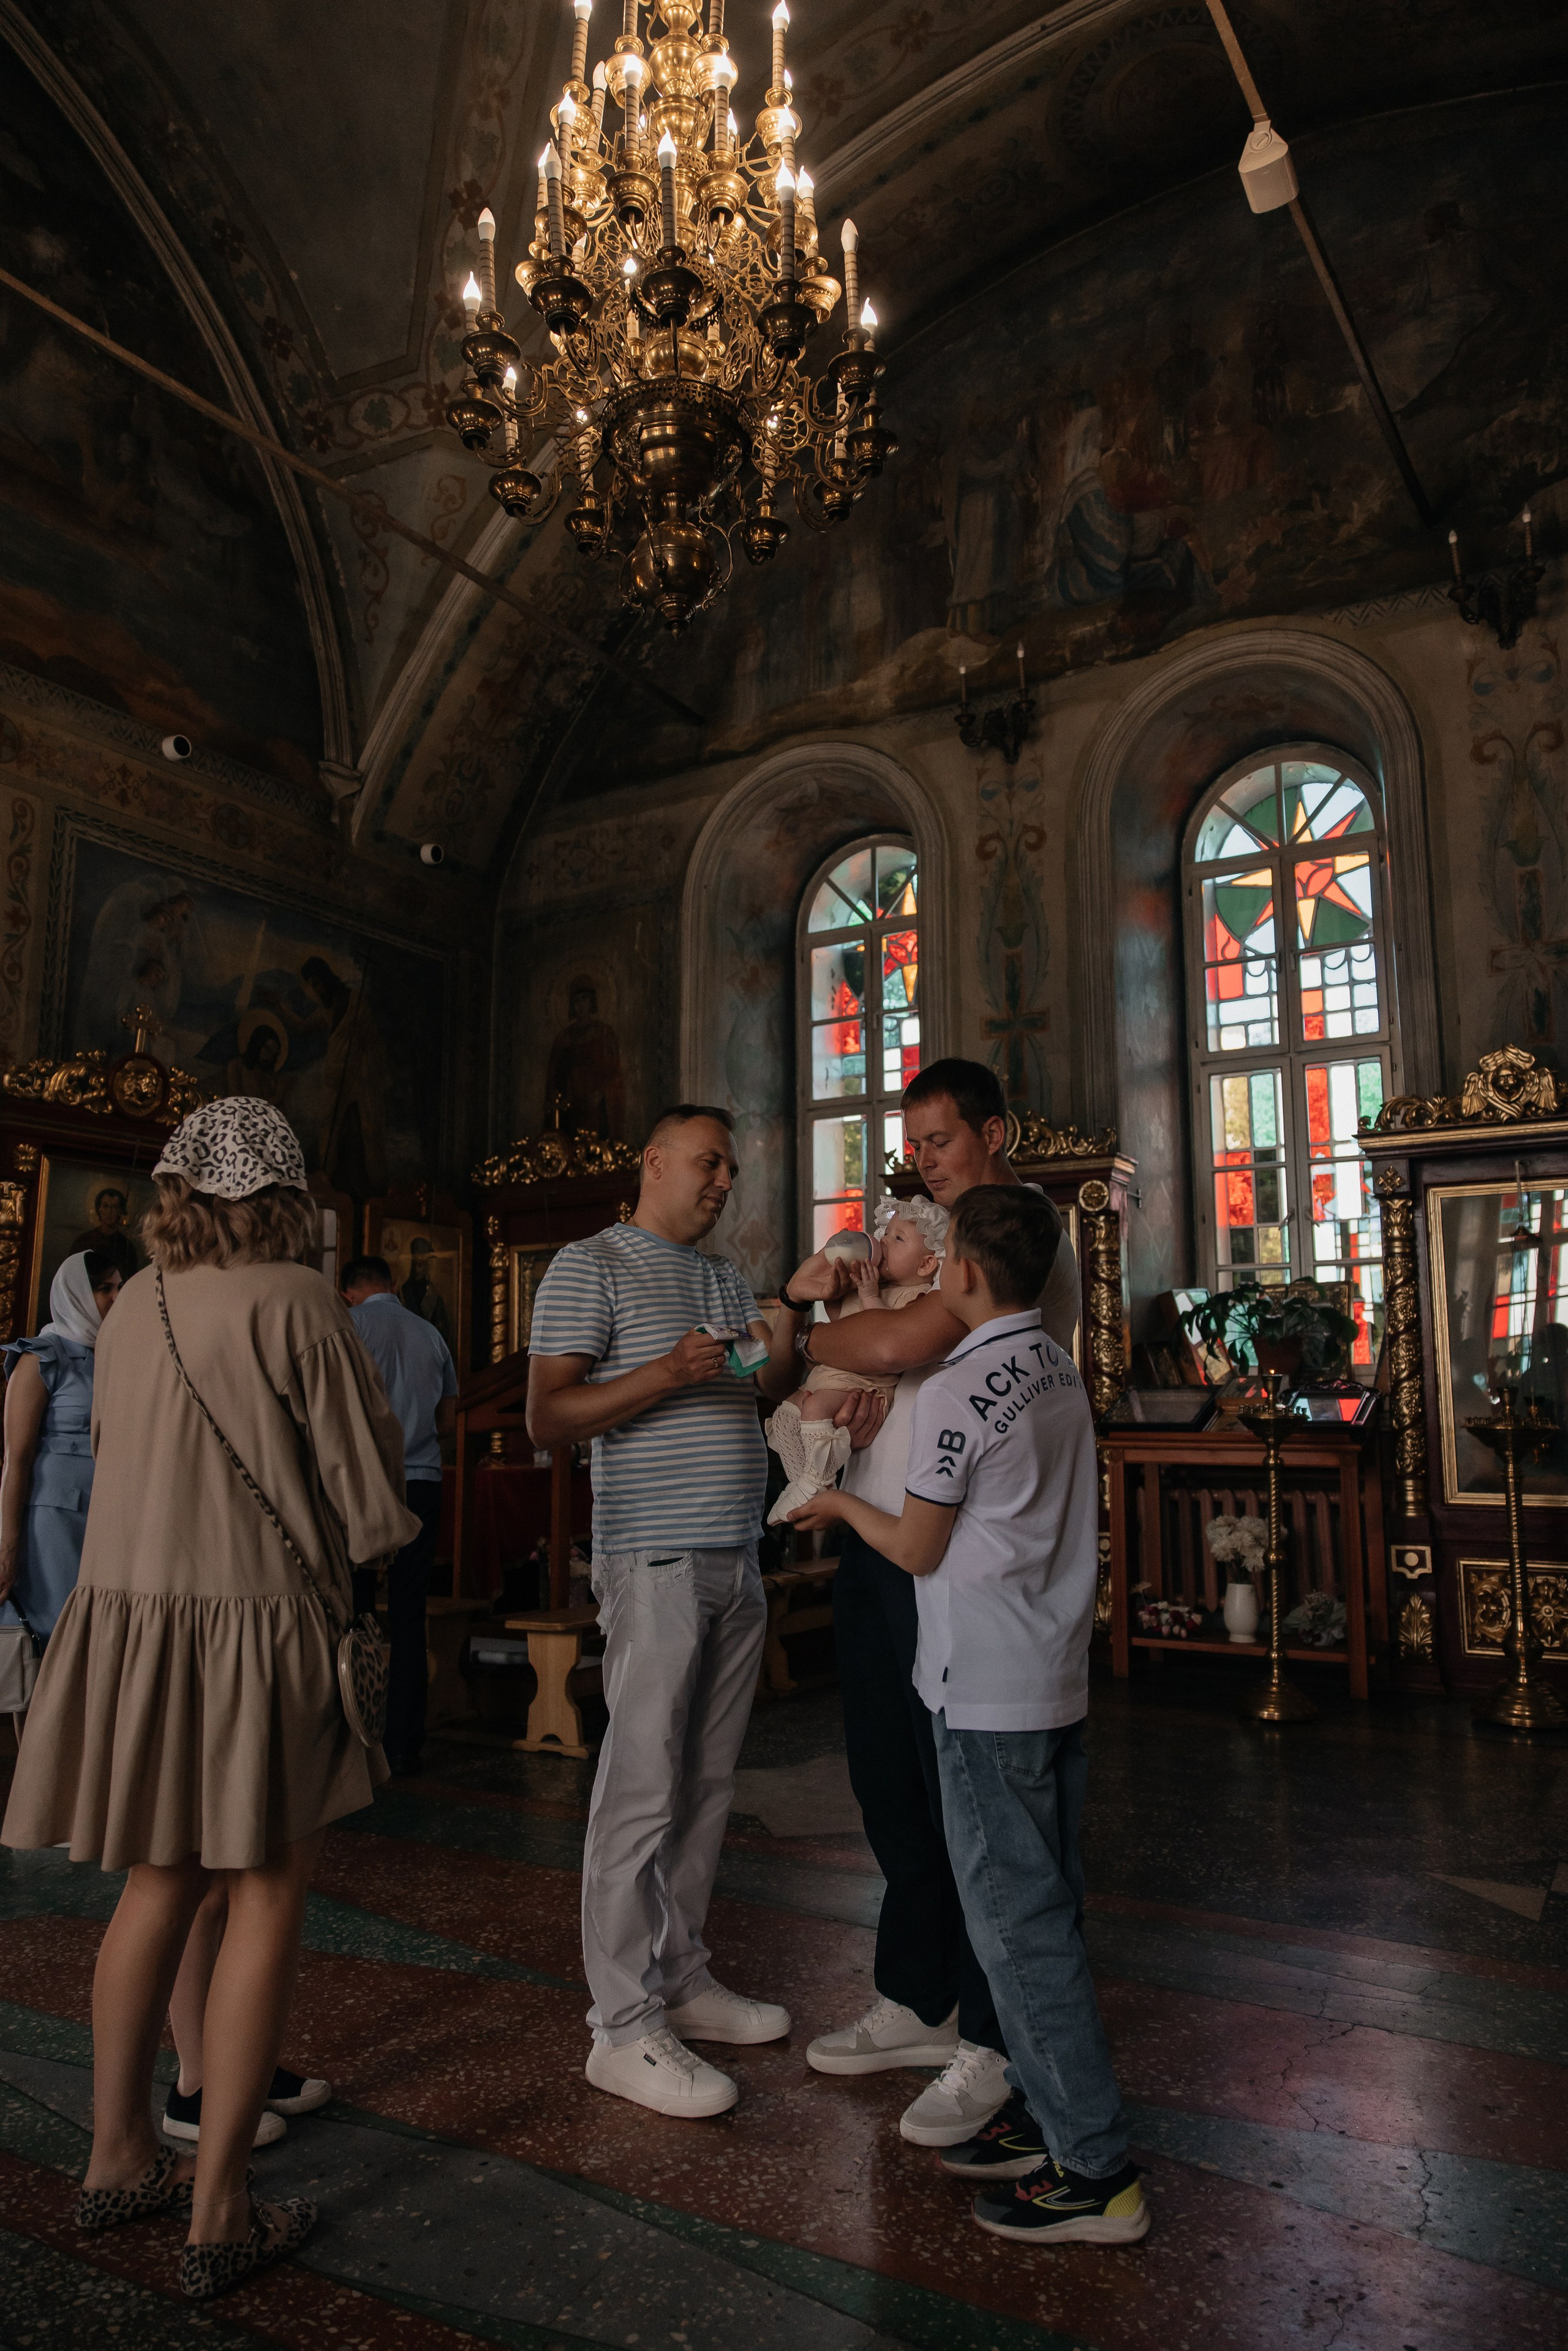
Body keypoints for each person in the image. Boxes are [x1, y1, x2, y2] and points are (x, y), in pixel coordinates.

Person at [1, 1097, 419, 2301]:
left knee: (156, 1885)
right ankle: (222, 2207)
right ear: (284, 1193)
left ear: (178, 1190)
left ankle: (118, 2152)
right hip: (257, 1630)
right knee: (267, 1888)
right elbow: (367, 1495)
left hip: (135, 1628)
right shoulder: (297, 1300)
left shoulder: (134, 1304)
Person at [789, 1185, 1147, 2247]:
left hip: (983, 1686)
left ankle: (1096, 2168)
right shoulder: (1059, 1368)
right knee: (1047, 1903)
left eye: (943, 1259)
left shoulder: (956, 1386)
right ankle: (1037, 2111)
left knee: (1016, 1928)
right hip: (1052, 1673)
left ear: (966, 1274)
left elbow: (915, 1545)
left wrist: (835, 1502)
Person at [526, 1103, 876, 2119]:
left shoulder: (723, 1276)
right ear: (655, 1160)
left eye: (732, 1169)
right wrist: (662, 1372)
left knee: (707, 1783)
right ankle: (622, 2024)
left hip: (734, 1556)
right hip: (654, 1556)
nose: (725, 1182)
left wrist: (792, 1306)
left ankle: (680, 1973)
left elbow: (762, 1380)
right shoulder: (590, 1264)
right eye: (710, 1163)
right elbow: (547, 1414)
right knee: (641, 1787)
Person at [780, 1058, 1080, 2151]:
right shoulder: (924, 1236)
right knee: (889, 1778)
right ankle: (918, 1995)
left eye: (940, 1140)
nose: (923, 1161)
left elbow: (898, 1344)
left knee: (974, 1810)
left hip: (950, 1552)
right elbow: (879, 1337)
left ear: (994, 1133)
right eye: (912, 1144)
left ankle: (993, 2040)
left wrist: (805, 1337)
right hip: (878, 1526)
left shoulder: (1011, 1234)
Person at [340, 1251, 458, 1775]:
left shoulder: (350, 1326)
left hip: (367, 1483)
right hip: (425, 1482)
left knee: (356, 1607)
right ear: (391, 1284)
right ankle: (405, 1744)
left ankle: (355, 1740)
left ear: (348, 1291)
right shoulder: (432, 1335)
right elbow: (448, 1421)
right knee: (411, 1611)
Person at [764, 1197, 948, 1521]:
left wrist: (869, 1295)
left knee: (814, 1410)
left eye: (898, 1238)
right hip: (832, 1378)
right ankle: (805, 1483)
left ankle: (816, 1482)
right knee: (786, 1416)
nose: (883, 1242)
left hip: (864, 1385)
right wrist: (838, 1294)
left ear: (926, 1265)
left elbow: (884, 1334)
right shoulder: (874, 1286)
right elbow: (842, 1323)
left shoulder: (916, 1298)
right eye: (886, 1233)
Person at [1, 1253, 123, 1640]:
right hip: (55, 1519)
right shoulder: (41, 1357)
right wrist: (7, 1545)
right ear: (77, 1295)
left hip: (113, 1512)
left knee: (102, 1636)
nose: (117, 1297)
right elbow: (16, 1459)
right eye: (105, 1289)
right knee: (55, 1633)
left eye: (120, 1288)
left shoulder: (122, 1355)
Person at [69, 1187, 140, 1283]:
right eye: (105, 1206)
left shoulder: (126, 1246)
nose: (110, 1212)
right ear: (99, 1209)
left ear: (120, 1211)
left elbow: (130, 1278)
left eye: (114, 1207)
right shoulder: (84, 1241)